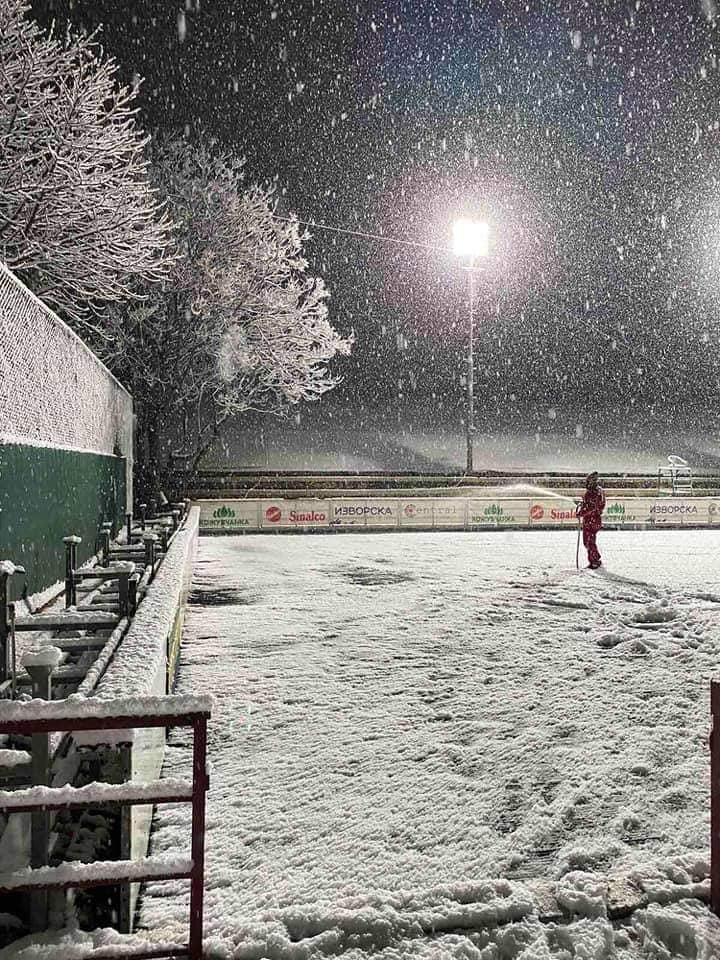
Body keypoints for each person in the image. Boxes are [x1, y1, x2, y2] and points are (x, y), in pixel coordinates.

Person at [576, 471, 606, 569]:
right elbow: (594, 505)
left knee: (588, 542)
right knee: (590, 541)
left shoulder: (592, 492)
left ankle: (595, 561)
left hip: (591, 520)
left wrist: (581, 513)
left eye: (588, 481)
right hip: (595, 519)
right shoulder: (599, 491)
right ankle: (595, 559)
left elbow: (591, 507)